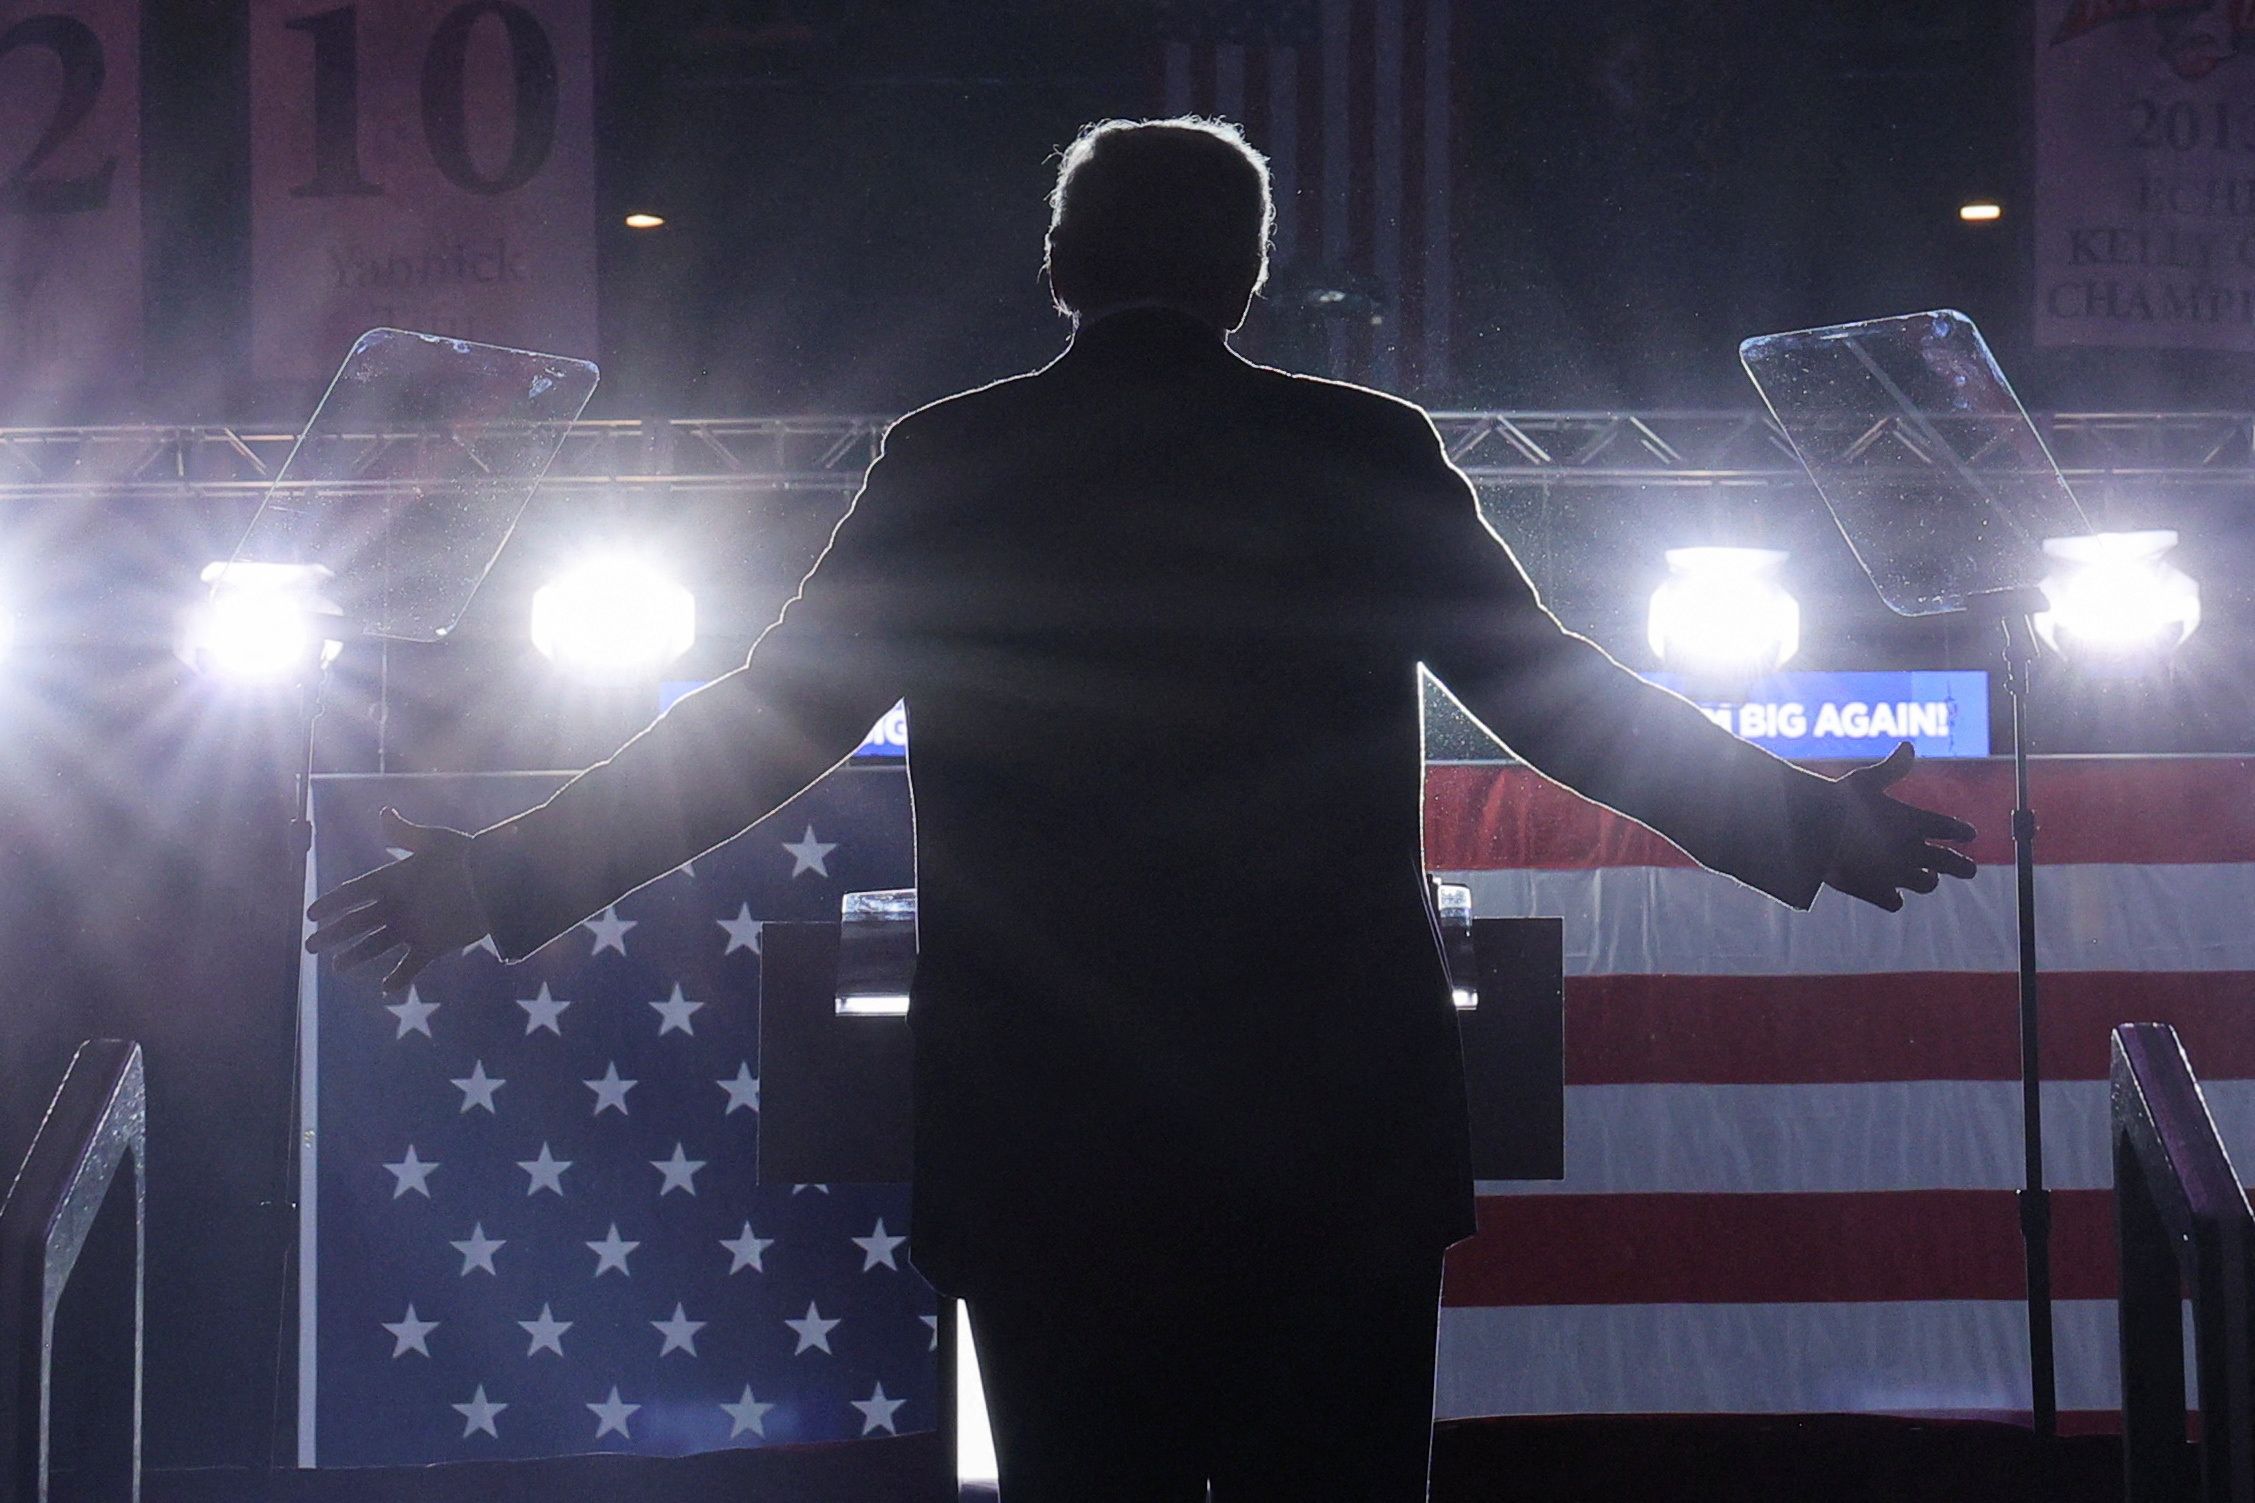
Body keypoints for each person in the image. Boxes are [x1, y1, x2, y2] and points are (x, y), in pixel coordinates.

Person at [305, 118, 1976, 1501]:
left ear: (1058, 267)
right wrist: (1807, 825)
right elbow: (1560, 705)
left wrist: (494, 880)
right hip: (1332, 1131)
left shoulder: (956, 462)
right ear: (1248, 276)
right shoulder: (1361, 449)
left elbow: (758, 732)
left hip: (1049, 1134)